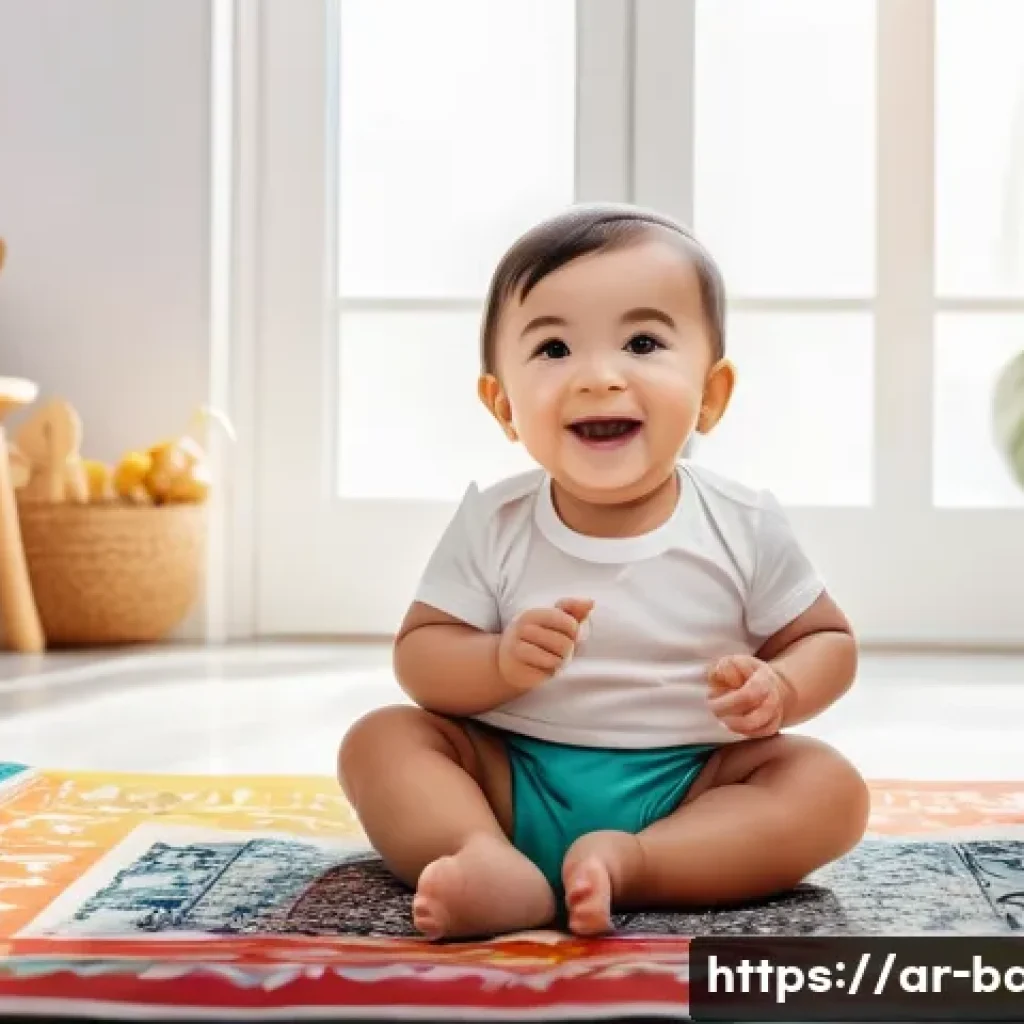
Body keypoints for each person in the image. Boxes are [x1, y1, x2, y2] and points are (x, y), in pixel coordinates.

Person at [338, 203, 870, 941]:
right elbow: (421, 660)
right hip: (508, 777)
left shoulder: (742, 523)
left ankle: (638, 863)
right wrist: (496, 662)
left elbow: (828, 642)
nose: (597, 377)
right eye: (554, 349)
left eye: (643, 342)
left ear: (711, 396)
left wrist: (781, 685)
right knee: (382, 740)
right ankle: (483, 858)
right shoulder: (493, 522)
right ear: (502, 405)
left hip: (695, 784)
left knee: (829, 790)